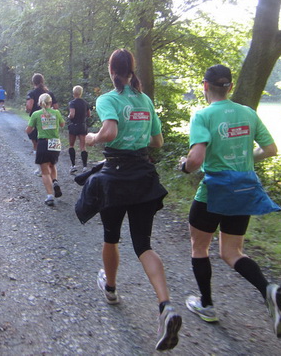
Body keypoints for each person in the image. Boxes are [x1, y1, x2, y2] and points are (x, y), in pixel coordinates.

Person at [178, 64, 281, 338]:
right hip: (244, 190)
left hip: (213, 192)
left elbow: (196, 160)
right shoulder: (248, 113)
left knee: (199, 247)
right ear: (230, 87)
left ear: (205, 86)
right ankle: (268, 290)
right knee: (232, 252)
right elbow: (271, 149)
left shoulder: (203, 115)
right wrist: (244, 160)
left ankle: (206, 305)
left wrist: (184, 166)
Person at [80, 49, 182, 352]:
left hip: (115, 178)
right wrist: (136, 134)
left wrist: (92, 138)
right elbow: (157, 141)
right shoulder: (145, 100)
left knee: (111, 237)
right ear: (132, 70)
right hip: (144, 177)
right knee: (143, 244)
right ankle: (166, 306)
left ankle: (111, 289)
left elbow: (109, 132)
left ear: (111, 70)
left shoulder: (108, 99)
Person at [25, 93, 65, 206]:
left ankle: (50, 196)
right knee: (52, 164)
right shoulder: (56, 113)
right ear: (50, 102)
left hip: (43, 142)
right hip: (55, 142)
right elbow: (62, 124)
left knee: (45, 171)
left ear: (39, 103)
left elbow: (28, 130)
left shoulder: (36, 114)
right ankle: (55, 181)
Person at [67, 85, 91, 174]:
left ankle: (73, 166)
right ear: (81, 93)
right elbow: (89, 114)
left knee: (71, 145)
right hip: (82, 125)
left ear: (74, 93)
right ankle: (84, 167)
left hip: (74, 125)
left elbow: (72, 114)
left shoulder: (72, 103)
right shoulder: (85, 103)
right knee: (83, 146)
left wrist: (69, 116)